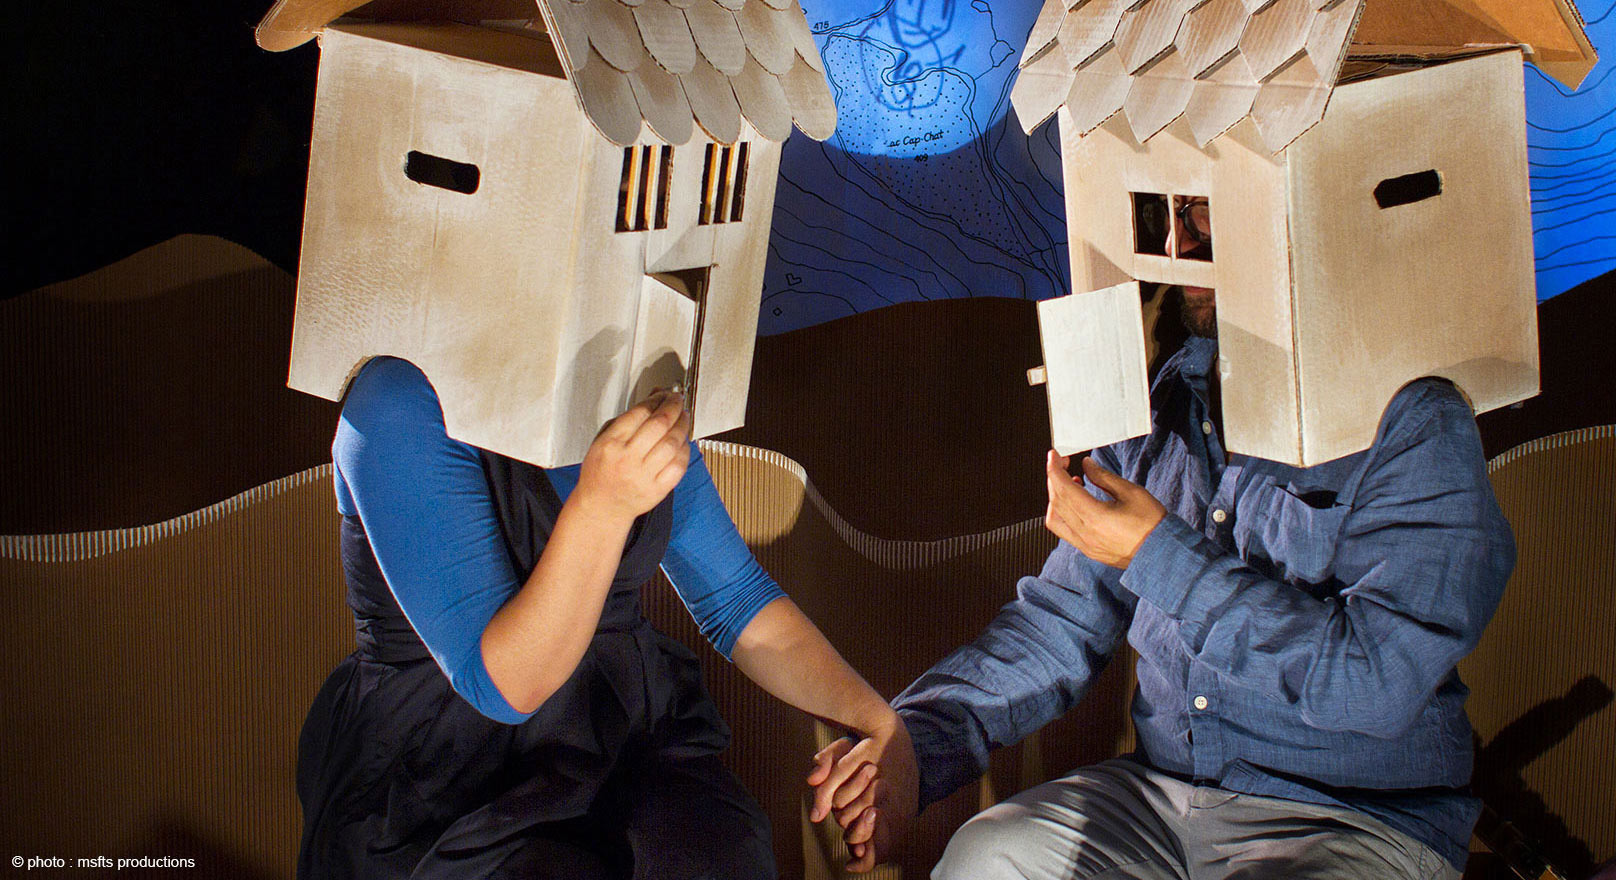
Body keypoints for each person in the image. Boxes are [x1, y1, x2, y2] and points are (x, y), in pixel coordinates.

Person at [810, 195, 1515, 879]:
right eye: (1172, 214)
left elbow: (1379, 685)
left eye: (1208, 210)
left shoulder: (1413, 419)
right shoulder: (1164, 403)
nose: (1179, 247)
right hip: (1164, 800)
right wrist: (917, 743)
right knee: (989, 859)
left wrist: (1160, 556)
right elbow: (1060, 624)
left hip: (1352, 819)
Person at [297, 356, 914, 879]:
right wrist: (602, 505)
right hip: (450, 772)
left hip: (622, 734)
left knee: (721, 854)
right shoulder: (395, 402)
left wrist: (878, 721)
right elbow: (507, 687)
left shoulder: (621, 372)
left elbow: (736, 599)